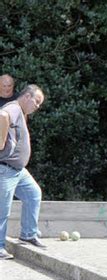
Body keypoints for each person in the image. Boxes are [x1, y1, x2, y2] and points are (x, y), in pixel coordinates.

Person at [0, 84, 46, 260]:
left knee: (33, 194)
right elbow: (2, 115)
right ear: (27, 96)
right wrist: (1, 140)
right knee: (2, 210)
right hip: (5, 169)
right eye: (37, 101)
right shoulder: (12, 108)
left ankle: (28, 234)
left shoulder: (20, 112)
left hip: (18, 171)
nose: (38, 106)